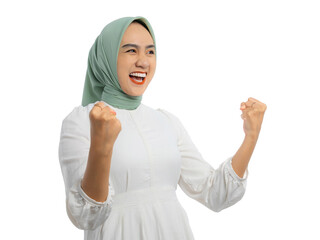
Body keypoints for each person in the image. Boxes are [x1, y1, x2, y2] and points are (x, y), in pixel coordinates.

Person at [58, 16, 267, 240]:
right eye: (131, 51)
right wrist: (101, 145)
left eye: (150, 51)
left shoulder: (165, 121)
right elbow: (85, 217)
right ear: (106, 58)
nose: (143, 62)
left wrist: (251, 137)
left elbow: (214, 193)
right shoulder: (82, 121)